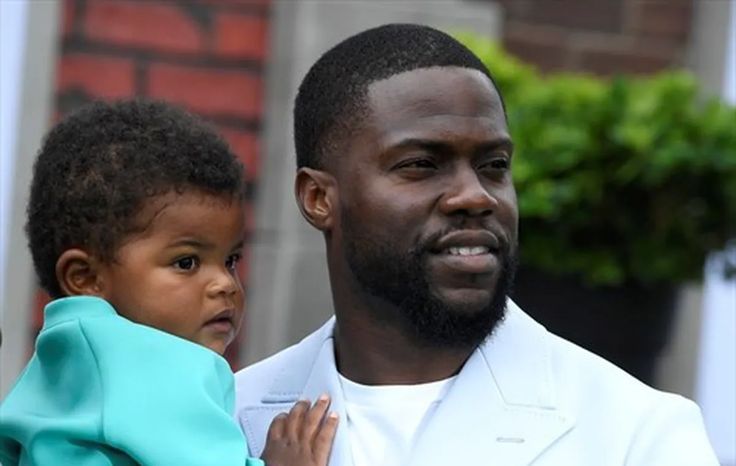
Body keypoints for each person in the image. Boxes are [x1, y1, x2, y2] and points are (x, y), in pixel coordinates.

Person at [233, 23, 718, 466]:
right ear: (319, 198)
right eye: (421, 163)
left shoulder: (638, 433)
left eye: (494, 165)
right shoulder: (230, 417)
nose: (475, 195)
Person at [0, 99, 337, 466]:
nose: (224, 284)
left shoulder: (53, 369)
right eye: (186, 262)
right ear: (85, 278)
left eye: (231, 260)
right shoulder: (156, 366)